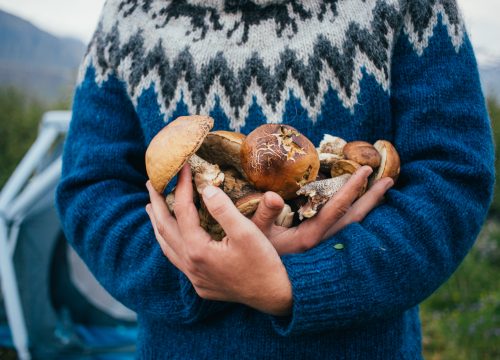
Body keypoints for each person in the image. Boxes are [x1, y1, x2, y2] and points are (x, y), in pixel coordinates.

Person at [56, 0, 495, 358]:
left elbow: (451, 177)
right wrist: (201, 269)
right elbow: (93, 189)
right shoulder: (129, 15)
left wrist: (296, 283)